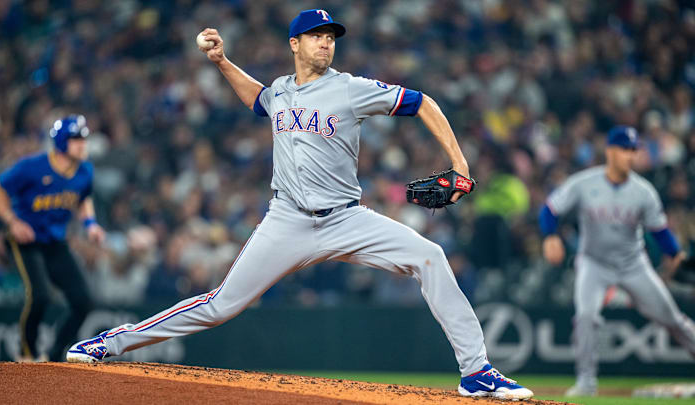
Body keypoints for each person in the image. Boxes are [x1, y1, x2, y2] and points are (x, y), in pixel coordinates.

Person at [66, 9, 533, 400]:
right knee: (220, 304)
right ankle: (111, 343)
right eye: (316, 36)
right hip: (287, 220)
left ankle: (476, 373)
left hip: (348, 218)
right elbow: (260, 100)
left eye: (331, 37)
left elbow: (423, 102)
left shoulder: (350, 88)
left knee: (430, 257)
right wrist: (223, 61)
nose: (326, 44)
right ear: (295, 43)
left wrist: (460, 164)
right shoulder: (281, 90)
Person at [539, 126, 695, 397]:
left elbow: (660, 232)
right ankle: (586, 383)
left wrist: (675, 255)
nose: (631, 155)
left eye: (634, 150)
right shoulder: (585, 183)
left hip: (633, 264)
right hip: (593, 263)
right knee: (586, 316)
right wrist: (550, 236)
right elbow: (550, 209)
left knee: (672, 319)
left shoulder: (643, 191)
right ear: (610, 151)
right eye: (625, 149)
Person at [0, 114, 105, 361]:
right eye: (76, 139)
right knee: (41, 295)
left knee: (84, 302)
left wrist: (90, 224)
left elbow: (84, 199)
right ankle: (26, 353)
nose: (83, 143)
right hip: (25, 240)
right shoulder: (33, 167)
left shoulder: (85, 171)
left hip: (55, 242)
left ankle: (53, 356)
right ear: (62, 142)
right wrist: (13, 221)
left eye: (84, 138)